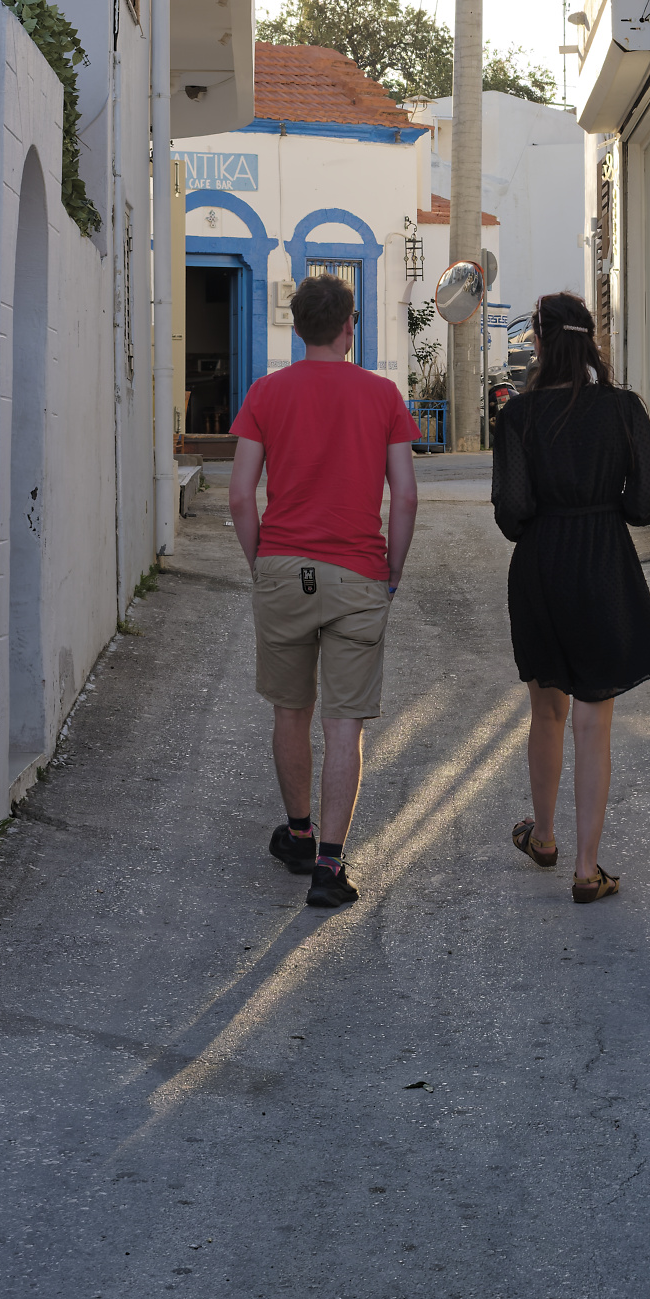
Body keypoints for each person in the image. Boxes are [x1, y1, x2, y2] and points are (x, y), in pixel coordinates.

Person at [227, 275, 419, 909]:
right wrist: (391, 572)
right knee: (344, 724)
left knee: (290, 710)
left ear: (298, 327)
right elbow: (405, 496)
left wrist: (263, 562)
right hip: (358, 572)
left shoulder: (265, 393)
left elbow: (240, 494)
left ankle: (299, 835)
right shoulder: (382, 395)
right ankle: (330, 867)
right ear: (348, 326)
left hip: (284, 567)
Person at [489, 293, 650, 902]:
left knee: (547, 710)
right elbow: (647, 501)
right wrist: (602, 509)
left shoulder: (518, 416)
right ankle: (587, 869)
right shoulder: (623, 409)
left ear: (539, 343)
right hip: (603, 563)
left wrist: (548, 519)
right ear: (591, 342)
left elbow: (512, 510)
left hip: (540, 565)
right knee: (595, 721)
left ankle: (543, 837)